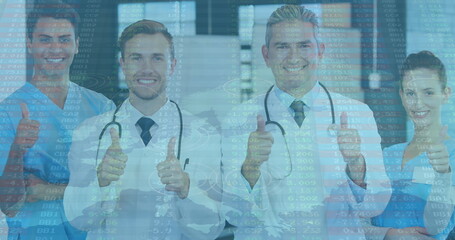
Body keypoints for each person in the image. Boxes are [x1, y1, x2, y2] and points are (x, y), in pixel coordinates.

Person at [221, 5, 391, 239]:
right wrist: (250, 167)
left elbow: (375, 207)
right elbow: (233, 214)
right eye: (282, 46)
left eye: (304, 45)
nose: (293, 57)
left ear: (320, 51)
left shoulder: (358, 114)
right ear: (266, 55)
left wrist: (356, 166)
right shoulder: (240, 118)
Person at [63, 20, 224, 240]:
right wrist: (99, 183)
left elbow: (210, 230)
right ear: (122, 64)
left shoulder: (204, 135)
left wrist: (187, 189)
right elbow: (78, 221)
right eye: (136, 58)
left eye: (157, 58)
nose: (146, 69)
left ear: (172, 65)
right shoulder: (90, 133)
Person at [0, 2, 115, 239]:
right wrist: (16, 150)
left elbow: (113, 191)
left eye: (64, 39)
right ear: (29, 44)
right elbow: (8, 205)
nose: (55, 49)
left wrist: (45, 190)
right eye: (45, 39)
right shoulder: (8, 113)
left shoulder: (102, 108)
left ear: (77, 45)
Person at [367, 51, 455, 240]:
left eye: (428, 92)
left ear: (445, 94)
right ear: (401, 95)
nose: (418, 103)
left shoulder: (452, 155)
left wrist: (442, 174)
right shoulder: (387, 155)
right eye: (410, 93)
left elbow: (435, 226)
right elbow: (356, 222)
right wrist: (390, 234)